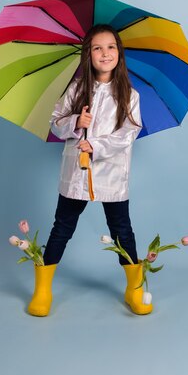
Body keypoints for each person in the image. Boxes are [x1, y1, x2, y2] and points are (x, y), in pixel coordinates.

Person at [28, 24, 153, 317]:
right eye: (97, 48)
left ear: (119, 53)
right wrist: (75, 122)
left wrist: (95, 145)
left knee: (122, 230)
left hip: (111, 172)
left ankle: (133, 289)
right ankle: (43, 289)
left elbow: (128, 134)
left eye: (111, 47)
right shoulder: (76, 88)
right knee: (62, 227)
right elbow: (55, 122)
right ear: (89, 54)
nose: (105, 53)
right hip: (77, 173)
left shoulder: (130, 95)